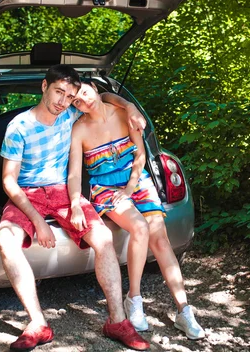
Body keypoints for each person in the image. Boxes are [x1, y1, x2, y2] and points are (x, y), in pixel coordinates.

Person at [0, 65, 150, 351]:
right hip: (27, 192)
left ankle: (117, 321)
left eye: (69, 96)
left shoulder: (71, 114)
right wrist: (38, 222)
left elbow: (101, 96)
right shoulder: (19, 126)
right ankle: (38, 324)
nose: (63, 101)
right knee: (6, 239)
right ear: (44, 86)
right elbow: (9, 182)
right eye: (58, 92)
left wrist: (130, 107)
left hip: (62, 192)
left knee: (104, 238)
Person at [67, 81, 206, 340]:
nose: (83, 101)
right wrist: (75, 202)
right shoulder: (79, 130)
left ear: (95, 90)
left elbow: (140, 154)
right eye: (75, 101)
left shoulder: (125, 114)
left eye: (85, 92)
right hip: (105, 188)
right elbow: (75, 173)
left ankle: (184, 311)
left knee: (161, 239)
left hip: (136, 181)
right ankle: (135, 299)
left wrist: (130, 189)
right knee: (140, 228)